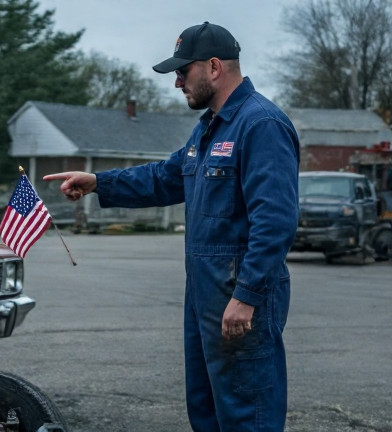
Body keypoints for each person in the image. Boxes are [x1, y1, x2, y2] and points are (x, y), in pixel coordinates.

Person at [43, 22, 299, 432]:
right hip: (204, 294)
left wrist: (247, 296)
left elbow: (275, 221)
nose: (177, 82)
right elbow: (164, 178)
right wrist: (98, 183)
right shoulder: (208, 129)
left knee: (246, 413)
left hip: (237, 294)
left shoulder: (260, 125)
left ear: (213, 67)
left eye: (183, 71)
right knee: (206, 409)